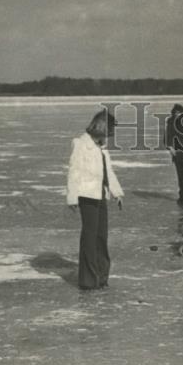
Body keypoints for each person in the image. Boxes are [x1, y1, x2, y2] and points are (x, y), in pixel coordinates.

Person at [66, 109, 125, 290]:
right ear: (101, 127)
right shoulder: (81, 144)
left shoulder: (101, 148)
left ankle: (101, 277)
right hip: (87, 196)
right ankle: (88, 280)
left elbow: (109, 172)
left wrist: (117, 193)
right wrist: (73, 197)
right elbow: (73, 171)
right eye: (108, 132)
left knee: (101, 237)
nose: (109, 137)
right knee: (90, 238)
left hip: (101, 195)